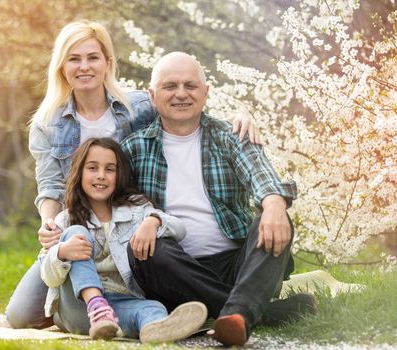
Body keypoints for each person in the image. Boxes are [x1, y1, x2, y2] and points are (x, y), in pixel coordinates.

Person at [6, 20, 257, 329]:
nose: (84, 67)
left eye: (92, 57)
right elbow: (50, 185)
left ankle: (147, 310)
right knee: (22, 315)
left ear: (107, 63)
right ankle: (94, 304)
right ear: (62, 66)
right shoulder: (47, 123)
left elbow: (187, 108)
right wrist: (49, 223)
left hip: (127, 225)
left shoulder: (137, 105)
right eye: (74, 59)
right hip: (80, 227)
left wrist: (237, 117)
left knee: (136, 278)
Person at [121, 52, 317, 347]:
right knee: (144, 250)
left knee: (275, 215)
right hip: (176, 270)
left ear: (206, 92)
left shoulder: (230, 135)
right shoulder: (134, 148)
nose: (181, 94)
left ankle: (234, 312)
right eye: (170, 86)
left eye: (190, 85)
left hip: (238, 265)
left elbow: (260, 174)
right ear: (152, 95)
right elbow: (118, 203)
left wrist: (274, 203)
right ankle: (251, 311)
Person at [40, 137, 207, 342]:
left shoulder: (136, 210)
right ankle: (97, 307)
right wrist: (62, 252)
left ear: (120, 175)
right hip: (78, 308)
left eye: (110, 169)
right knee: (77, 234)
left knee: (152, 307)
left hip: (120, 303)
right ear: (79, 172)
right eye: (92, 168)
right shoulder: (65, 219)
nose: (101, 176)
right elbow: (48, 277)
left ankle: (156, 330)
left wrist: (153, 221)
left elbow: (179, 229)